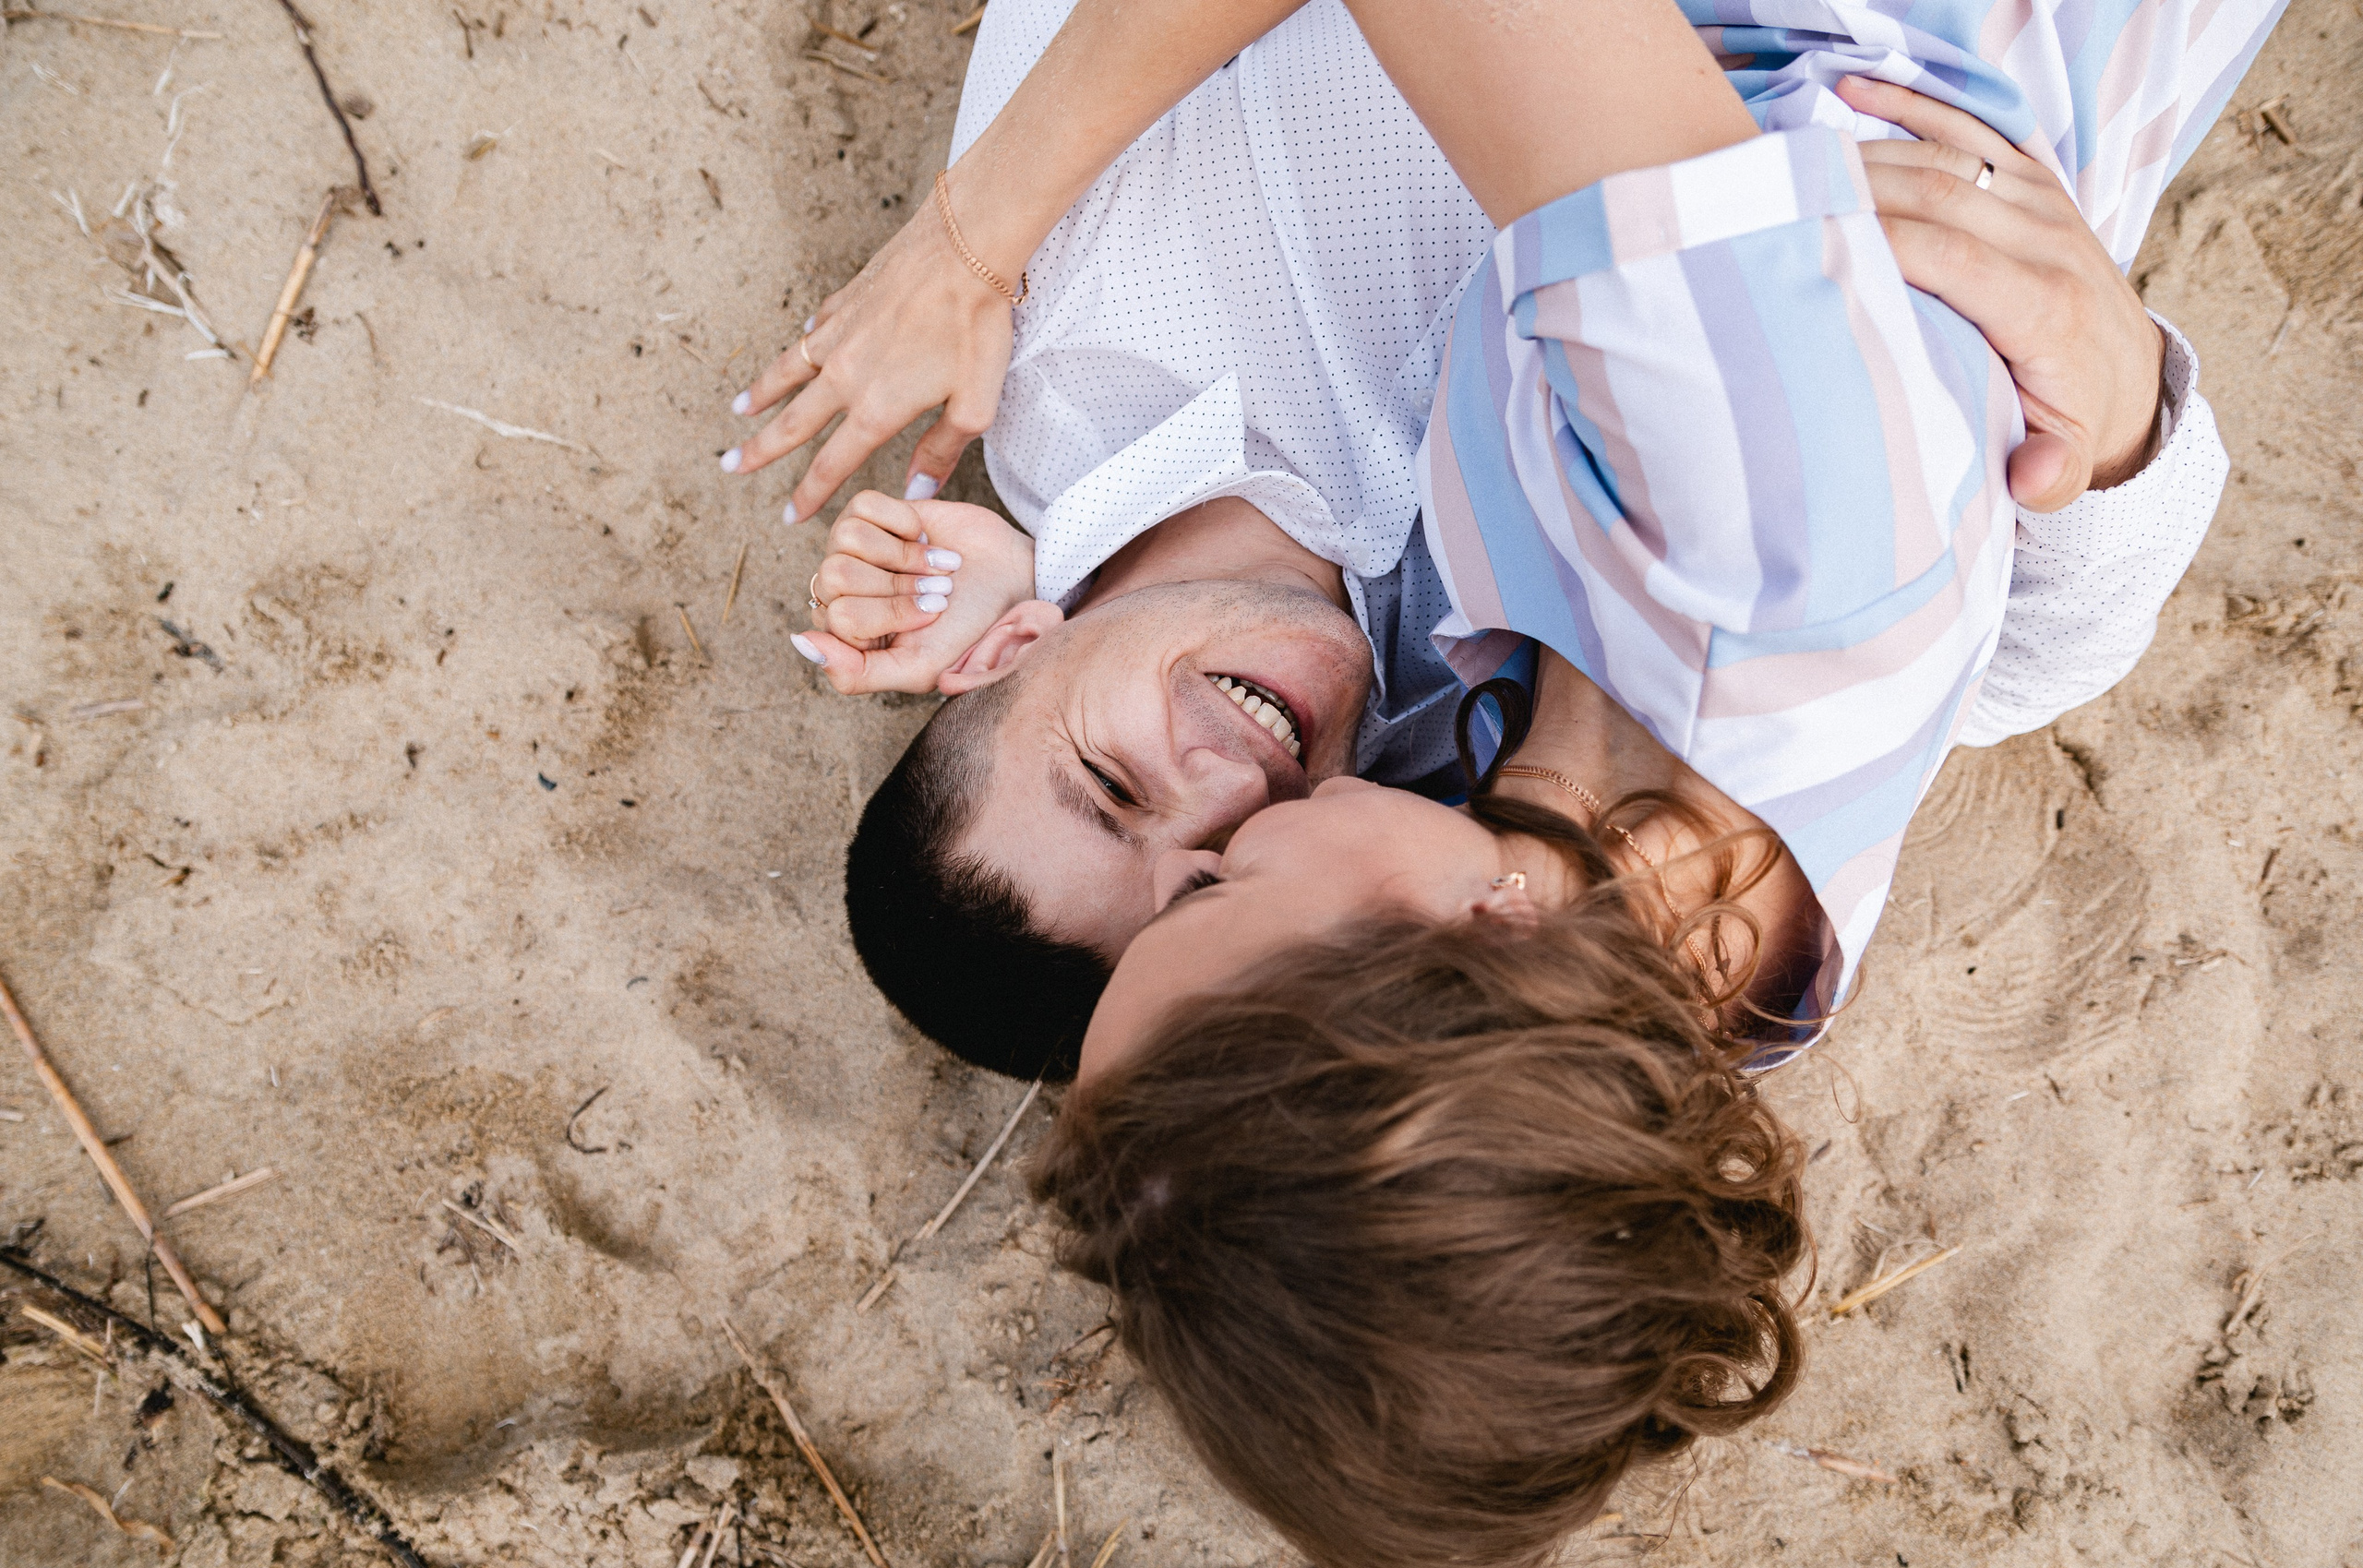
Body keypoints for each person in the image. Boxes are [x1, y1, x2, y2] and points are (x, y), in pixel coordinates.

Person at [999, 1, 2280, 1568]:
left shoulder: (1694, 952)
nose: (1211, 839)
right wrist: (967, 246)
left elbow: (1973, 656)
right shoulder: (1748, 551)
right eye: (1218, 898)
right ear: (1480, 929)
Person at [730, 0, 2257, 1080]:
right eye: (1222, 888)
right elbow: (1971, 672)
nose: (1235, 795)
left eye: (1113, 777)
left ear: (1011, 651)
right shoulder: (1448, 774)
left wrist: (972, 240)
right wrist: (2121, 416)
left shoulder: (1064, 338)